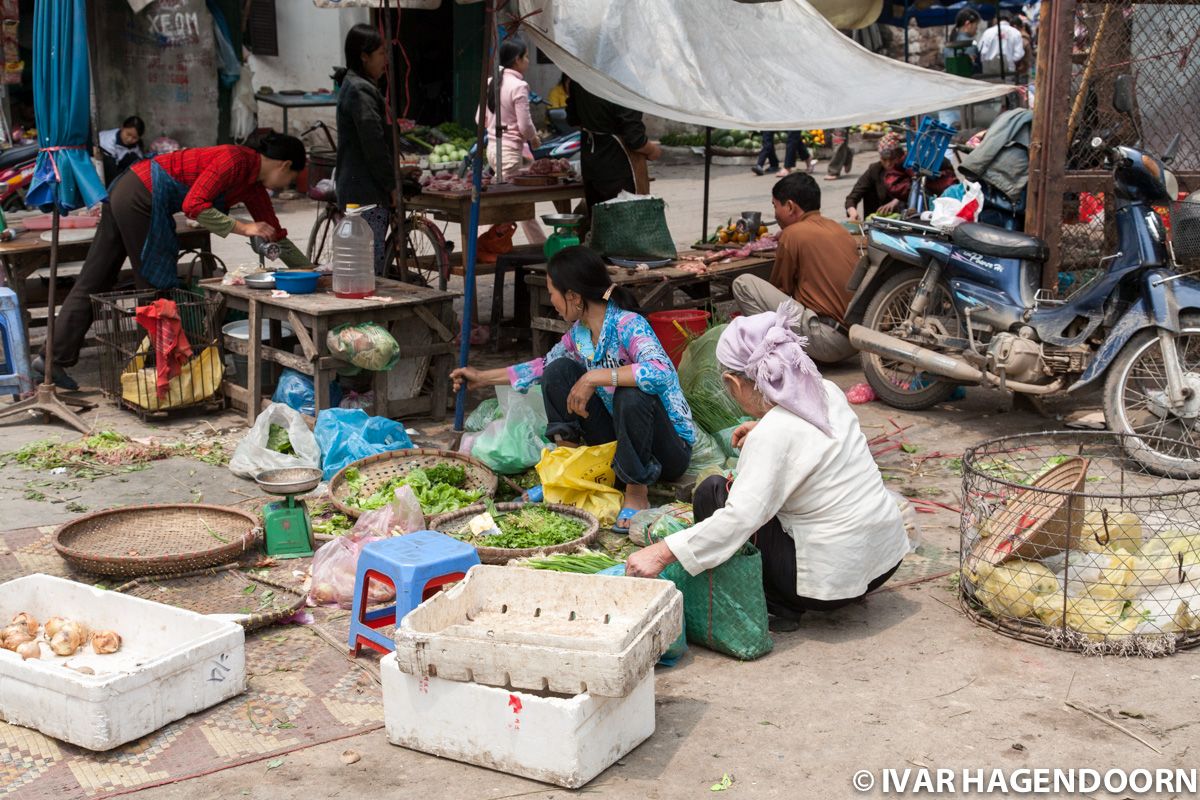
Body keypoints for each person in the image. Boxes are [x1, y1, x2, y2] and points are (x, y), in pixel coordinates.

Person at [624, 305, 910, 631]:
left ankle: (780, 604)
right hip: (884, 561)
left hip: (827, 589)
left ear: (733, 383)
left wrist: (661, 553)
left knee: (713, 493)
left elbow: (739, 519)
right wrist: (761, 426)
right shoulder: (827, 391)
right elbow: (806, 437)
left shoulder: (773, 435)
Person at [32, 135, 312, 389]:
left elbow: (277, 235)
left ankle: (50, 360)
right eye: (290, 179)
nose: (286, 186)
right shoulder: (236, 159)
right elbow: (195, 204)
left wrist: (311, 271)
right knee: (155, 286)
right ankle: (160, 373)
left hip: (130, 188)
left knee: (96, 278)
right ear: (284, 165)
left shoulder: (253, 186)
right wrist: (245, 227)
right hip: (140, 194)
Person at [451, 246, 694, 531]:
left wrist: (595, 377)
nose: (551, 300)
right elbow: (541, 367)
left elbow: (661, 371)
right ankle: (570, 474)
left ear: (573, 297)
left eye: (552, 292)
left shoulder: (629, 324)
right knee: (558, 371)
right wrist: (481, 377)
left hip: (667, 450)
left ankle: (637, 494)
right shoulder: (579, 336)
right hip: (621, 441)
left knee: (633, 392)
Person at [732, 173, 857, 364]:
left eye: (775, 206)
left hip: (828, 340)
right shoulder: (840, 229)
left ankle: (772, 358)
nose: (774, 214)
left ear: (790, 206)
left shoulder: (793, 234)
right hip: (854, 340)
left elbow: (781, 291)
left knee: (743, 283)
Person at [335, 23, 395, 276]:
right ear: (364, 55)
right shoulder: (360, 90)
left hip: (357, 186)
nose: (385, 60)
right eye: (381, 54)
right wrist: (391, 184)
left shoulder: (357, 85)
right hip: (366, 191)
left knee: (363, 265)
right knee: (367, 270)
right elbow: (374, 145)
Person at [482, 37, 544, 244]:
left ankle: (489, 243)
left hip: (492, 149)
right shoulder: (519, 85)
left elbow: (478, 118)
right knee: (519, 205)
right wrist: (534, 139)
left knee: (507, 205)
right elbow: (525, 124)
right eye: (526, 57)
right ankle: (541, 248)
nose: (527, 61)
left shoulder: (492, 81)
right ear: (517, 60)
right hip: (508, 152)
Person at [567, 82, 662, 212]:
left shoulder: (579, 78)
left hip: (591, 163)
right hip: (618, 166)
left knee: (598, 223)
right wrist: (653, 151)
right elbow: (635, 140)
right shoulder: (623, 82)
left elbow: (573, 119)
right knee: (625, 223)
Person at [844, 132, 955, 221]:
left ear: (900, 157)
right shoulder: (875, 170)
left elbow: (917, 189)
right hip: (880, 220)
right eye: (884, 160)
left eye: (892, 160)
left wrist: (896, 201)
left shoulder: (910, 168)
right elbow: (854, 195)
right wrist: (852, 211)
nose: (888, 164)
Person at [97, 115, 146, 185]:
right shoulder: (108, 141)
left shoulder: (136, 146)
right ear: (122, 127)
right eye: (128, 134)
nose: (129, 139)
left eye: (134, 138)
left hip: (118, 164)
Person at [977, 11, 1026, 78]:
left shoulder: (987, 32)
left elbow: (981, 51)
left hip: (989, 73)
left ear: (996, 19)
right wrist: (1009, 62)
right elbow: (1019, 54)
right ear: (1010, 19)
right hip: (1008, 73)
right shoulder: (1016, 33)